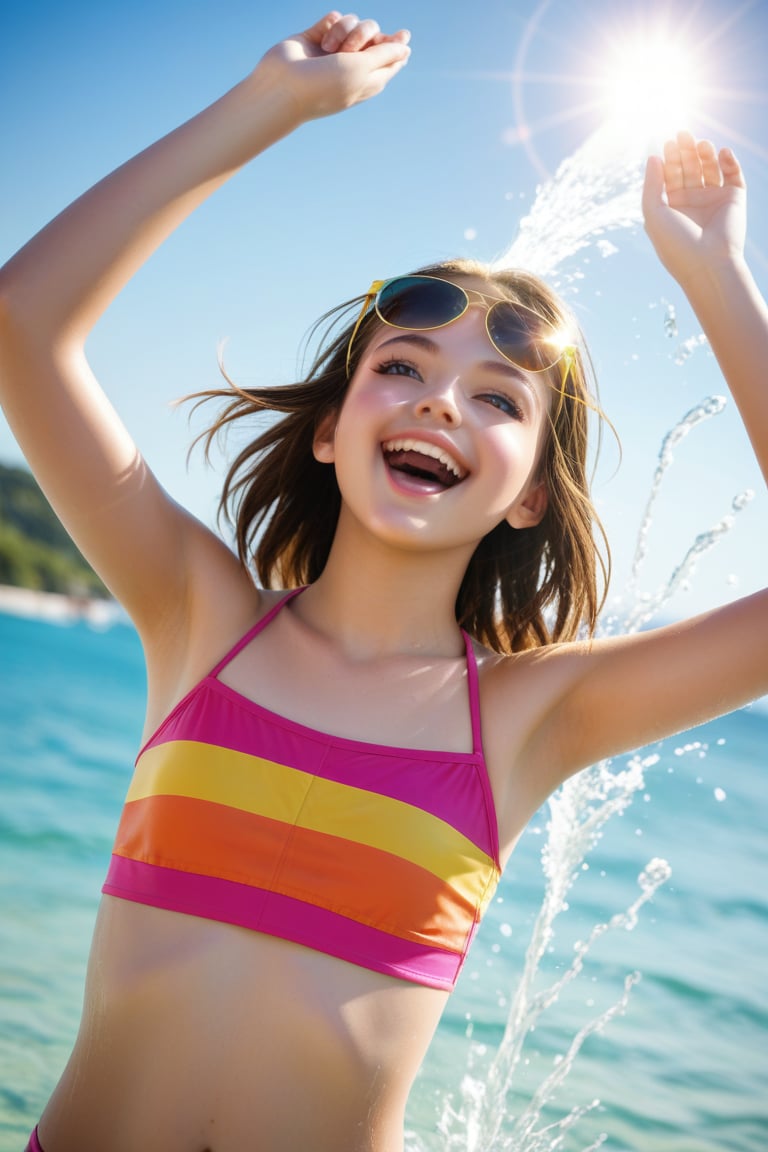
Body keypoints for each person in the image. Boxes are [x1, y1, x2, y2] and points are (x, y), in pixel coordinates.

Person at [1, 11, 766, 1152]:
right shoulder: (198, 616)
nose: (441, 400)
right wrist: (266, 107)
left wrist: (716, 272)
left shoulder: (523, 718)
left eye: (500, 397)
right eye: (401, 366)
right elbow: (23, 322)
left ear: (530, 498)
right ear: (328, 431)